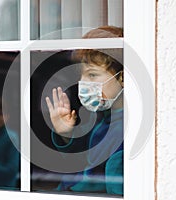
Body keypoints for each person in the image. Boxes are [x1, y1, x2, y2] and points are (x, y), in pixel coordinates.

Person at [45, 26, 124, 195]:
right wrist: (67, 134)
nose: (83, 83)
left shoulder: (125, 130)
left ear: (122, 78)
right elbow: (82, 163)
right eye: (82, 75)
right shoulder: (99, 118)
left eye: (92, 75)